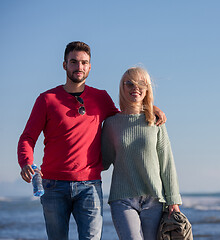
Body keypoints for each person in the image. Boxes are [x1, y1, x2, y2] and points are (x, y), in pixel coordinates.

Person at [17, 41, 166, 240]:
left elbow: (125, 118)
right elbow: (28, 137)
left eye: (84, 63)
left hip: (89, 186)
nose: (79, 67)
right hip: (53, 185)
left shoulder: (101, 97)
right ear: (64, 65)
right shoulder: (47, 99)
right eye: (74, 62)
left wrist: (150, 108)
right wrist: (26, 162)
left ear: (89, 67)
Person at [101, 67, 182, 240]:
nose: (135, 87)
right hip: (122, 199)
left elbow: (166, 162)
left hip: (154, 200)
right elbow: (102, 162)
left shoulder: (155, 122)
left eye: (141, 84)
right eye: (129, 83)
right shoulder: (111, 124)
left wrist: (173, 199)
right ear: (122, 88)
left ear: (147, 89)